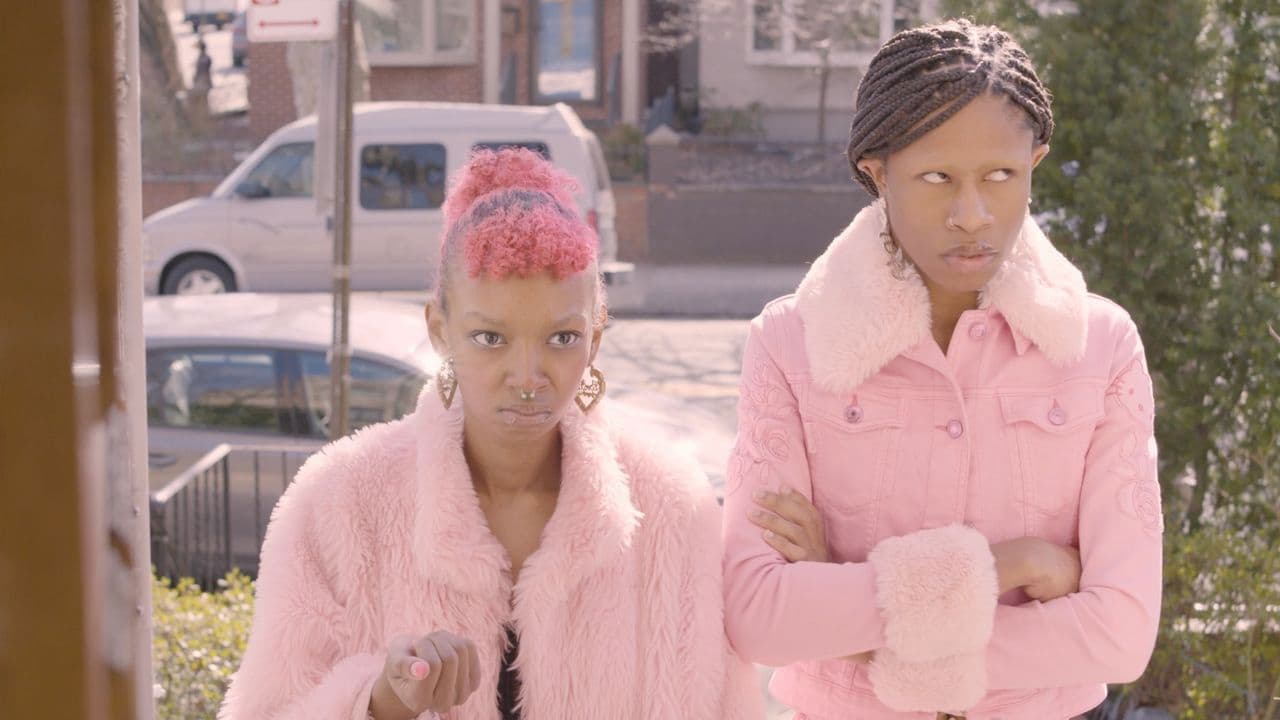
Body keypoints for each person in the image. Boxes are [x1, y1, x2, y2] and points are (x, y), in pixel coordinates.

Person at [218, 149, 764, 720]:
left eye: (561, 339)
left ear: (596, 336)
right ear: (440, 329)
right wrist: (380, 703)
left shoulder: (671, 507)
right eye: (490, 339)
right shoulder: (339, 504)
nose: (527, 378)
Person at [722, 18, 1162, 720]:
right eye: (936, 177)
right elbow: (759, 618)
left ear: (1035, 163)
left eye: (1001, 176)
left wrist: (849, 609)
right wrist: (1017, 565)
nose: (972, 214)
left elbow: (1121, 634)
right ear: (877, 173)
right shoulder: (789, 344)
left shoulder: (1100, 347)